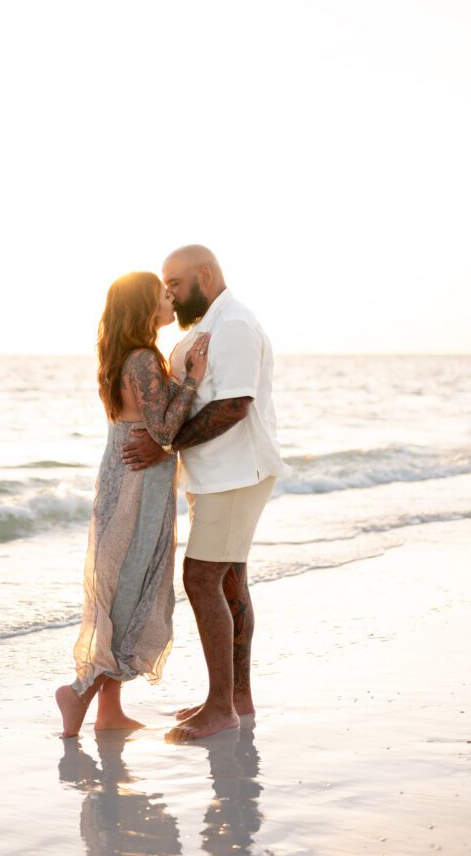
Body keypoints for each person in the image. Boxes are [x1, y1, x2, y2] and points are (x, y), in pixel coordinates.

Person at [122, 245, 290, 742]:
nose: (168, 292)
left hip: (237, 472)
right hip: (217, 475)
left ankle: (221, 708)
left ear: (205, 275)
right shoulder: (207, 326)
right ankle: (236, 697)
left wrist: (165, 443)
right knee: (230, 581)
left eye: (173, 283)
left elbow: (235, 406)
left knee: (200, 579)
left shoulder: (233, 324)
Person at [55, 271, 210, 738]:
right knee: (129, 588)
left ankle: (109, 712)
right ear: (145, 307)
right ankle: (78, 692)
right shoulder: (143, 359)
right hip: (137, 487)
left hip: (132, 479)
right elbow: (163, 432)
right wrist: (191, 381)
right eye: (163, 295)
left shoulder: (126, 356)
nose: (170, 300)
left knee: (124, 585)